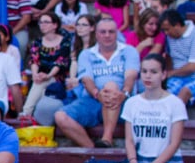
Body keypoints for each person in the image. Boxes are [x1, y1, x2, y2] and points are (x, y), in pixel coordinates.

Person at [108, 54, 187, 163]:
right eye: (144, 71)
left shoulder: (175, 103)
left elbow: (174, 143)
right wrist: (133, 162)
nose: (148, 76)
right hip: (139, 159)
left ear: (163, 74)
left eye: (153, 72)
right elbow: (129, 140)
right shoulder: (132, 103)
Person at [55, 17, 140, 148]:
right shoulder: (86, 54)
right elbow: (87, 79)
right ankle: (94, 151)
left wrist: (124, 93)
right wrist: (96, 93)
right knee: (61, 116)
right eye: (103, 32)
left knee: (111, 87)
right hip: (92, 100)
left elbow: (131, 76)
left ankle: (107, 138)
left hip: (123, 101)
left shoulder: (129, 51)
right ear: (96, 34)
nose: (107, 35)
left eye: (111, 32)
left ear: (117, 33)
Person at [159, 9, 195, 106]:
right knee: (165, 93)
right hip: (179, 78)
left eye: (167, 29)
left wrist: (171, 73)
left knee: (185, 92)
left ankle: (175, 120)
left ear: (177, 25)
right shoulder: (169, 38)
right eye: (164, 30)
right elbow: (169, 58)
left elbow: (192, 67)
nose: (165, 33)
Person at [23, 12, 70, 118]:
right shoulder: (37, 42)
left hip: (58, 77)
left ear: (55, 25)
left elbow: (60, 62)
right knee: (39, 84)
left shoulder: (65, 41)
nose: (42, 25)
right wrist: (35, 74)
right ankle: (32, 115)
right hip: (40, 77)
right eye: (40, 22)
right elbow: (34, 60)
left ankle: (26, 112)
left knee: (41, 84)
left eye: (46, 22)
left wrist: (48, 76)